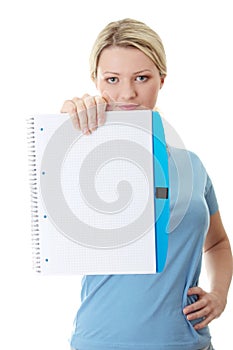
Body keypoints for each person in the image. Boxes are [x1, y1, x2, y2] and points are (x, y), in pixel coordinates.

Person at [61, 18, 232, 350]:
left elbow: (218, 243)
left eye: (142, 77)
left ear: (161, 81)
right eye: (112, 79)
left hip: (188, 343)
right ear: (96, 82)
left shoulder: (192, 165)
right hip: (99, 341)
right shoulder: (81, 155)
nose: (127, 93)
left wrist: (220, 295)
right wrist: (65, 128)